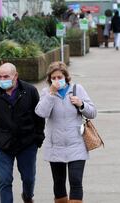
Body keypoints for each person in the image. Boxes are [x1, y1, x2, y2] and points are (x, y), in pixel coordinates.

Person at [0, 63, 45, 203]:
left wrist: (38, 138)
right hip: (3, 144)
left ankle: (28, 196)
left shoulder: (30, 91)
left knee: (28, 178)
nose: (2, 79)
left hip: (27, 143)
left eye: (6, 76)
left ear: (15, 76)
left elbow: (39, 117)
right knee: (5, 180)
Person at [35, 61, 97, 203]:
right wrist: (51, 94)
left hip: (76, 145)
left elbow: (93, 112)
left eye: (59, 77)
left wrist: (81, 104)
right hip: (55, 146)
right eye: (53, 78)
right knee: (59, 183)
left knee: (76, 181)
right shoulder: (46, 92)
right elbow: (41, 113)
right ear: (49, 79)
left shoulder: (77, 89)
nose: (57, 80)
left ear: (66, 77)